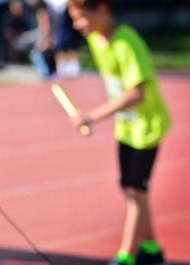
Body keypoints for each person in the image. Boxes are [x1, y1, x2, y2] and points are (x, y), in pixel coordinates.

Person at [66, 0, 172, 265]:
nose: (78, 25)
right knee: (130, 188)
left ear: (102, 10)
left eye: (82, 18)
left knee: (136, 192)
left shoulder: (127, 42)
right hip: (126, 127)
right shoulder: (97, 40)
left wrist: (93, 115)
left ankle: (126, 256)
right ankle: (151, 249)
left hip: (146, 127)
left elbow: (137, 92)